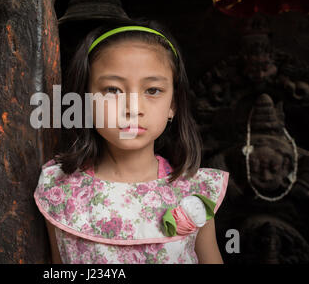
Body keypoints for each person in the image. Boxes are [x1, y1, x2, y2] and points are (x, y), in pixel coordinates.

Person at [33, 19, 230, 264]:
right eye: (113, 90)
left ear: (173, 105)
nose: (133, 108)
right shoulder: (59, 188)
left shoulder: (193, 191)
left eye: (152, 90)